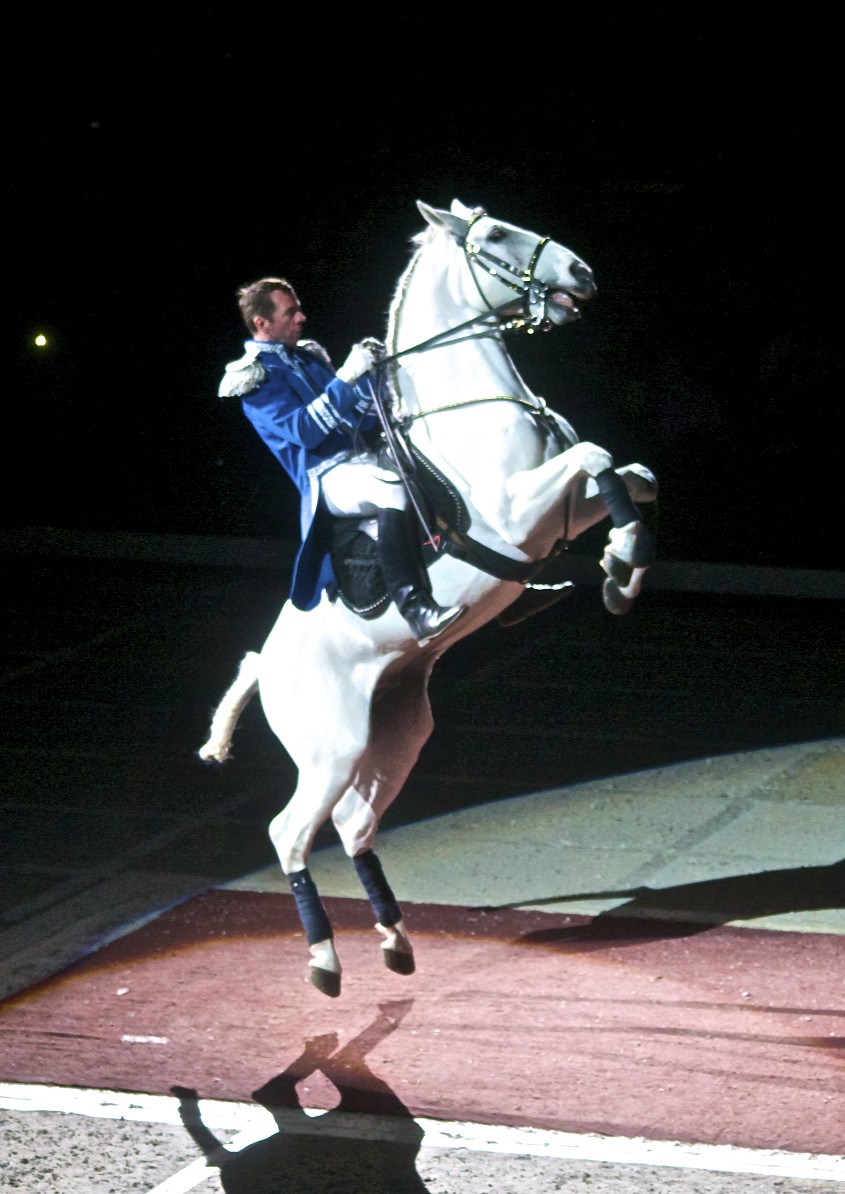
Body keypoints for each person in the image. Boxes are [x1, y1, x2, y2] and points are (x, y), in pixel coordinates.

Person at [218, 277, 466, 644]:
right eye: (290, 312)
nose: (301, 317)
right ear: (261, 323)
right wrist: (347, 378)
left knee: (437, 462)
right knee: (392, 490)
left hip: (363, 458)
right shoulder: (254, 379)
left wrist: (372, 380)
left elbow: (357, 422)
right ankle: (416, 609)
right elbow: (305, 431)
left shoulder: (306, 357)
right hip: (327, 476)